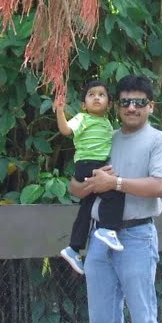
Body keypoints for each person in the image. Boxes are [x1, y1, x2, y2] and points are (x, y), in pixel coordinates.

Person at [70, 74, 162, 323]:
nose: (132, 108)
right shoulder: (104, 136)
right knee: (103, 321)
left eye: (139, 102)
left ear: (150, 107)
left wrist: (114, 183)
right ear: (116, 106)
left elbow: (160, 186)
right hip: (100, 237)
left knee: (144, 320)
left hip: (136, 236)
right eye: (126, 102)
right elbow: (76, 186)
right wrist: (87, 185)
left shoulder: (159, 142)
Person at [54, 79, 126, 275]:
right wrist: (60, 111)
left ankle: (74, 248)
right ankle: (107, 229)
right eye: (91, 94)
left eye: (101, 95)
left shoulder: (107, 124)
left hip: (95, 165)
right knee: (116, 191)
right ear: (84, 104)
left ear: (109, 104)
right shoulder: (82, 118)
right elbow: (66, 130)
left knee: (86, 208)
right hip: (89, 164)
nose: (96, 97)